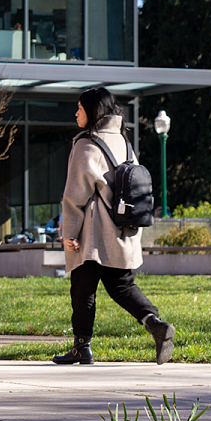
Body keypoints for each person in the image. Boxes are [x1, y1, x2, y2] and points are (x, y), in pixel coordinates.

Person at [53, 86, 175, 366]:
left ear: (92, 112)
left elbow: (75, 196)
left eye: (80, 109)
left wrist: (69, 233)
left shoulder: (86, 145)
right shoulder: (124, 142)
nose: (76, 114)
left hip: (94, 235)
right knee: (121, 285)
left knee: (83, 289)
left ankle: (81, 347)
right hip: (122, 231)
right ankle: (155, 323)